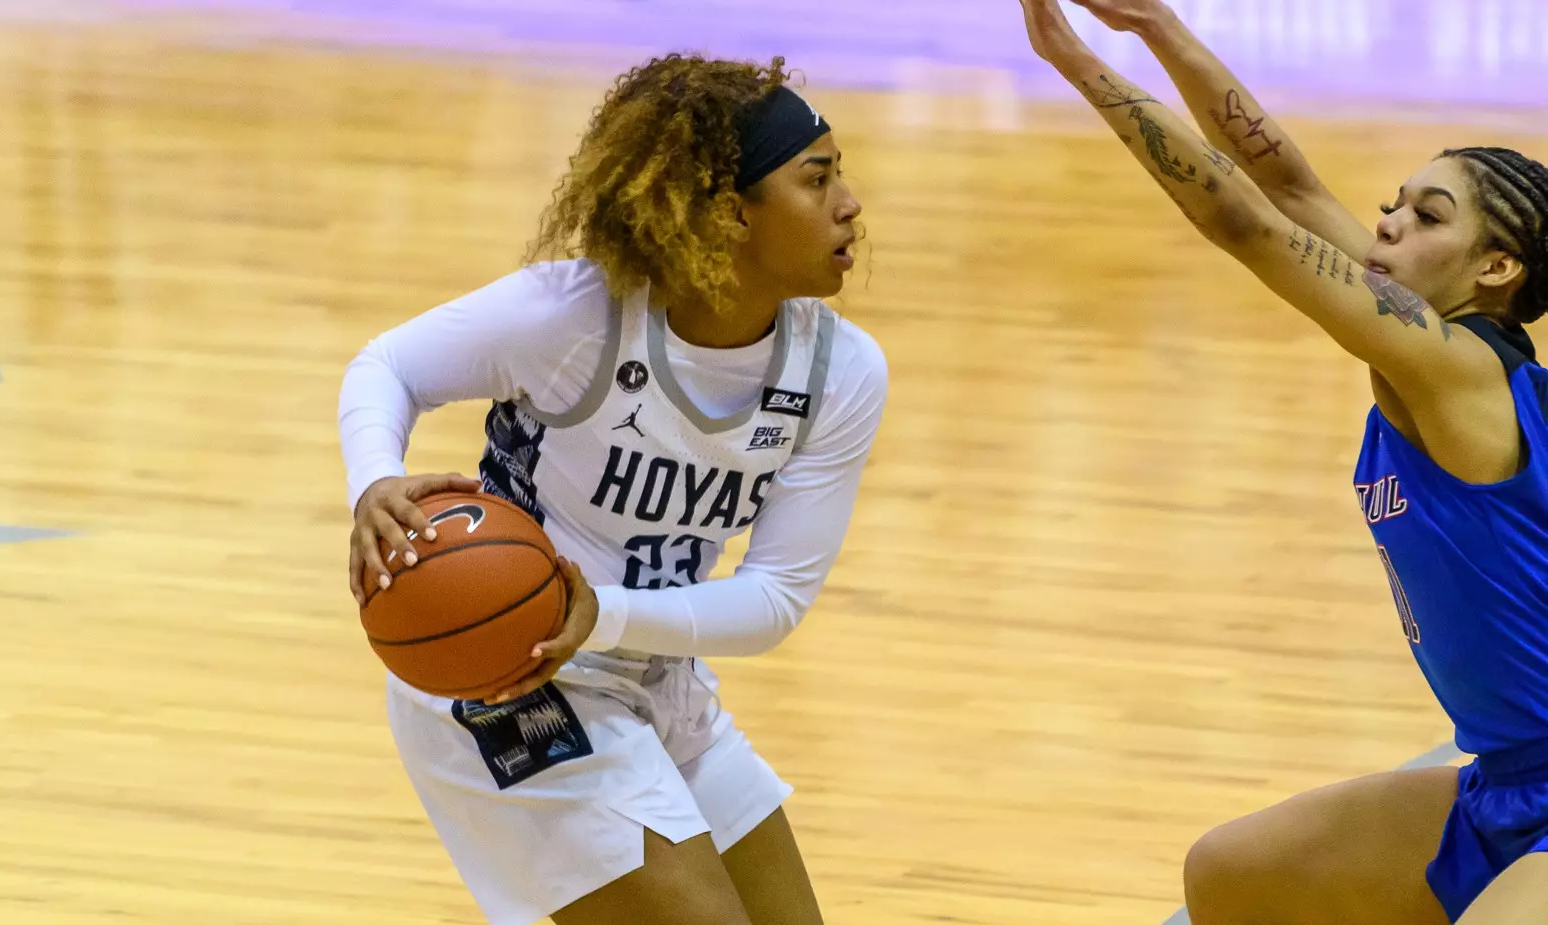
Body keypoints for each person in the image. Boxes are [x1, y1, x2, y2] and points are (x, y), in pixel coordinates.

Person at [1017, 0, 1548, 921]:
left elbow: (1244, 222)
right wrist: (1154, 25)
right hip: (1503, 776)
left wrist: (1077, 62)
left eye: (1425, 216)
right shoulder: (1426, 335)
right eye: (1391, 204)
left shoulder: (1454, 368)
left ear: (1495, 270)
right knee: (1230, 874)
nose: (1383, 225)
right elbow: (1286, 187)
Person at [337, 53, 886, 925]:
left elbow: (777, 598)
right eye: (815, 180)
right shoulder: (576, 317)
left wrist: (607, 615)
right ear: (725, 212)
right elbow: (388, 366)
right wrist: (374, 482)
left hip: (652, 670)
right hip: (507, 682)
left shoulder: (841, 371)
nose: (850, 204)